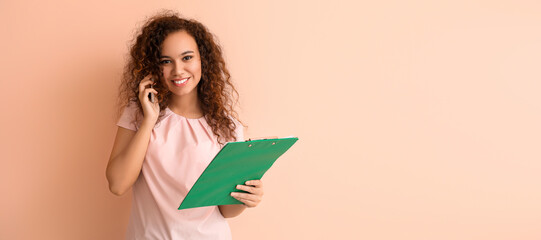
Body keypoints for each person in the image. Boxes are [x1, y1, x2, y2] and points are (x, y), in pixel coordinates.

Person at [106, 11, 264, 239]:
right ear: (154, 66)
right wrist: (149, 121)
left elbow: (226, 211)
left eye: (187, 58)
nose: (178, 70)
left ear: (203, 60)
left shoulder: (227, 127)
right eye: (166, 61)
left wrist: (248, 197)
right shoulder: (138, 112)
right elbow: (117, 184)